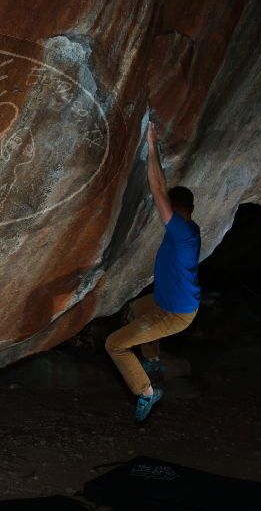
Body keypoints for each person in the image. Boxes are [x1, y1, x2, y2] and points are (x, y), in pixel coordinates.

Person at [105, 121, 201, 422]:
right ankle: (154, 359)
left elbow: (158, 188)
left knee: (115, 345)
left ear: (176, 208)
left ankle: (147, 392)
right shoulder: (189, 229)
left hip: (175, 313)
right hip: (167, 301)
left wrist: (150, 144)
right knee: (134, 309)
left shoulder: (182, 233)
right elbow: (165, 196)